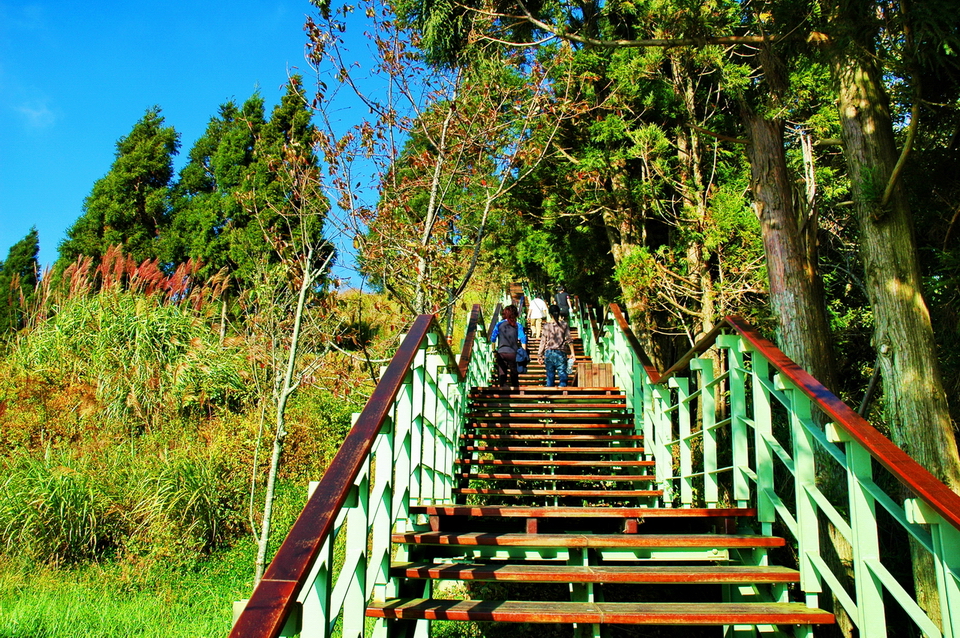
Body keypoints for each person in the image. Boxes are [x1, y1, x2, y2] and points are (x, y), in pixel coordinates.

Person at [491, 305, 527, 388]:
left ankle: (503, 386)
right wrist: (523, 352)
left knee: (502, 371)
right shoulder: (517, 325)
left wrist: (494, 350)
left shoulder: (499, 324)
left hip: (501, 351)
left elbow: (493, 338)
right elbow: (523, 339)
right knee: (514, 370)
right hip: (513, 352)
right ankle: (515, 385)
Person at [538, 304, 574, 387]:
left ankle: (550, 391)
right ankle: (563, 391)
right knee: (562, 374)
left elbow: (543, 341)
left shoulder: (546, 326)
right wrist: (572, 353)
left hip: (549, 352)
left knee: (550, 375)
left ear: (550, 314)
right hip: (561, 352)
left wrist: (539, 355)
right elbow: (569, 339)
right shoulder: (564, 324)